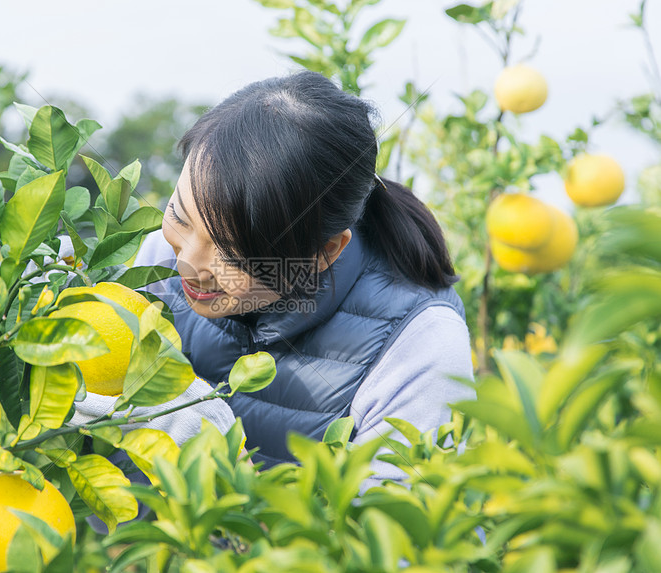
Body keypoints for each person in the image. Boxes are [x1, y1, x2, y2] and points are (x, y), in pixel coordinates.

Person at [78, 70, 474, 485]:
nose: (188, 264)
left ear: (325, 252)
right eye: (179, 215)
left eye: (231, 253)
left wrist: (228, 484)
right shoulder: (159, 260)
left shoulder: (420, 346)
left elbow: (394, 544)